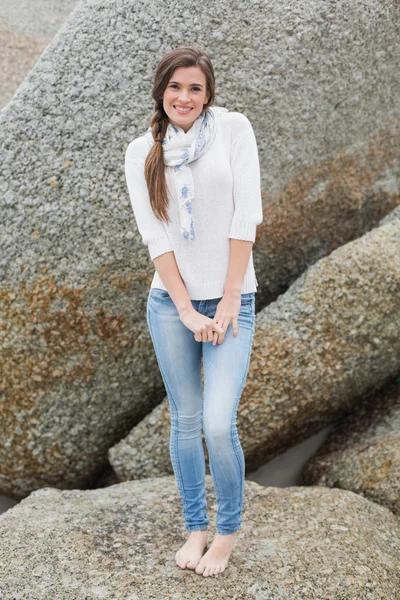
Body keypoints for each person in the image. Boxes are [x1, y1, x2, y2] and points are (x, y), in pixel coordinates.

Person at [124, 46, 263, 577]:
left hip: (232, 298)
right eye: (175, 87)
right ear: (162, 90)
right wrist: (184, 308)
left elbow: (246, 215)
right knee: (184, 421)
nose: (185, 97)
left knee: (216, 421)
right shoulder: (142, 150)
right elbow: (154, 234)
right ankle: (195, 527)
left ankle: (226, 532)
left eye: (196, 88)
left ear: (208, 94)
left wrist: (229, 299)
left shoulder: (233, 130)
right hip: (170, 302)